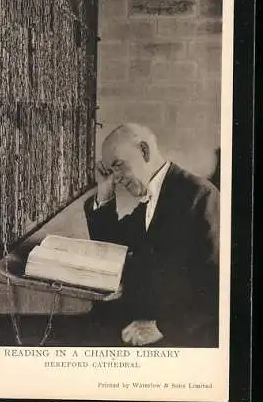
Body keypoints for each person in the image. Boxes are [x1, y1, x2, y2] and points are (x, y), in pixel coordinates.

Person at [83, 123, 220, 347]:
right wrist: (105, 191)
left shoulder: (199, 195)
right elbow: (113, 246)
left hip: (185, 337)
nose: (116, 178)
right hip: (143, 321)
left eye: (118, 165)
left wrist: (162, 327)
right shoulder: (154, 196)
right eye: (111, 170)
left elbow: (218, 286)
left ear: (144, 151)